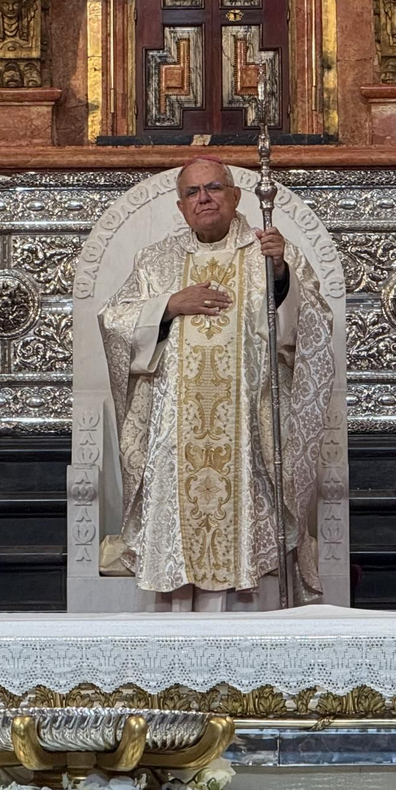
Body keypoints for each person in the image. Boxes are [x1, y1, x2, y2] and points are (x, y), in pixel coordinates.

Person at [99, 158, 336, 611]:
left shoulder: (271, 252)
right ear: (180, 206)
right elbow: (114, 322)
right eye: (192, 192)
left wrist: (281, 276)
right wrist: (168, 305)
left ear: (235, 196)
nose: (203, 198)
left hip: (247, 433)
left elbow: (310, 327)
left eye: (213, 188)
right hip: (175, 438)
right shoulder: (156, 260)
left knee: (243, 542)